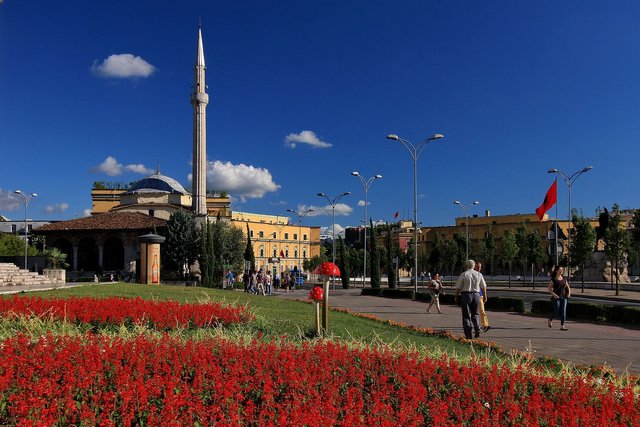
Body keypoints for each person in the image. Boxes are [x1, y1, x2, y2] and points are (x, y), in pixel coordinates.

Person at [454, 259, 487, 339]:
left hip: (466, 295)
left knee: (466, 316)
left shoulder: (464, 274)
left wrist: (456, 296)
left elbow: (458, 287)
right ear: (474, 266)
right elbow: (484, 286)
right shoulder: (479, 274)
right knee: (475, 314)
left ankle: (468, 334)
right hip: (476, 295)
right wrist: (485, 296)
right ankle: (477, 328)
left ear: (466, 265)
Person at [548, 265, 571, 330]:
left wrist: (569, 293)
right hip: (556, 298)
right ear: (556, 271)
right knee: (556, 311)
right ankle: (550, 319)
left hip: (564, 297)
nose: (561, 270)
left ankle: (562, 326)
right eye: (560, 269)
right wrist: (554, 295)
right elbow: (549, 288)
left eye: (562, 269)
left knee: (563, 311)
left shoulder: (564, 279)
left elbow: (568, 287)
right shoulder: (554, 280)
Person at [474, 261, 491, 332]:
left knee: (482, 310)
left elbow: (484, 286)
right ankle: (472, 325)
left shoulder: (480, 275)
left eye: (480, 267)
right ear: (474, 267)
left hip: (480, 295)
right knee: (472, 312)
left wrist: (485, 296)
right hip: (472, 295)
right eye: (477, 267)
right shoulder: (470, 274)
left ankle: (485, 325)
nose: (479, 268)